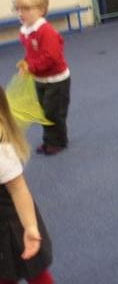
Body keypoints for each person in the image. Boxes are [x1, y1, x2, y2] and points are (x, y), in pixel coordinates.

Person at [0, 86, 54, 284]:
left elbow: (18, 189)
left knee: (34, 271)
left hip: (13, 224)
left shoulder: (2, 153)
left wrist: (30, 226)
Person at [14, 0, 70, 155]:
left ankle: (58, 142)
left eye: (26, 8)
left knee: (53, 113)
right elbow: (32, 53)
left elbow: (51, 57)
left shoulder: (46, 31)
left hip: (56, 80)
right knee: (44, 112)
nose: (21, 13)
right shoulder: (26, 31)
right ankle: (50, 140)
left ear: (41, 10)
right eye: (18, 9)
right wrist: (26, 63)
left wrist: (31, 67)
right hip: (40, 79)